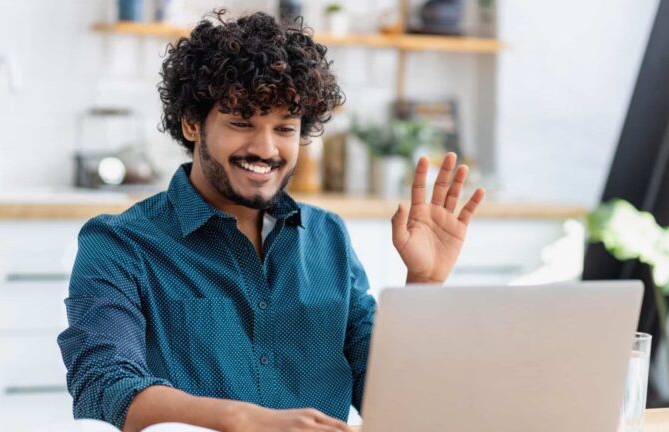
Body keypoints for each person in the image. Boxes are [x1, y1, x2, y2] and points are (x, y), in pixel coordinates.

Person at [57, 10, 485, 432]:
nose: (265, 149)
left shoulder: (327, 236)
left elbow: (387, 396)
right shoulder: (120, 244)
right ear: (192, 124)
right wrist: (242, 419)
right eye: (242, 123)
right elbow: (103, 385)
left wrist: (424, 286)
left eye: (284, 129)